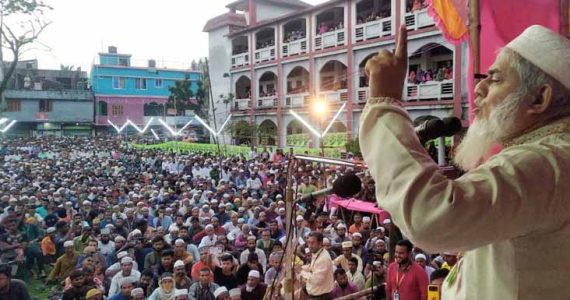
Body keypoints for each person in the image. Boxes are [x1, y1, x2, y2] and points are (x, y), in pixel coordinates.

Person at [362, 24, 570, 298]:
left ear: (539, 98)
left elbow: (431, 217)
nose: (479, 88)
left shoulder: (546, 163)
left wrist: (383, 102)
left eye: (495, 79)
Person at [300, 231, 334, 300]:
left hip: (321, 297)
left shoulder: (323, 258)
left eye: (312, 243)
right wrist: (301, 268)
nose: (309, 245)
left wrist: (301, 272)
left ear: (320, 243)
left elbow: (316, 280)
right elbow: (312, 267)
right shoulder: (317, 252)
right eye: (308, 242)